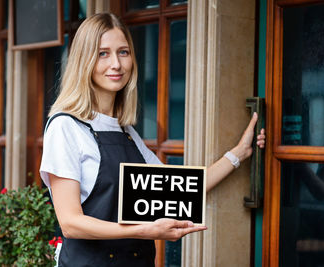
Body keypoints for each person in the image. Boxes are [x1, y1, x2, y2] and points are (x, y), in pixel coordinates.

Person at [40, 12, 266, 267]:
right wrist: (143, 231)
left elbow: (181, 191)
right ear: (84, 60)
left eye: (123, 52)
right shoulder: (65, 127)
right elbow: (71, 223)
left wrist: (239, 153)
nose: (116, 64)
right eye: (103, 53)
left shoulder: (126, 133)